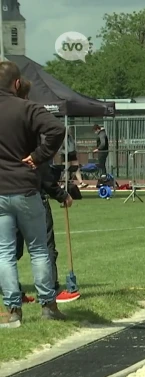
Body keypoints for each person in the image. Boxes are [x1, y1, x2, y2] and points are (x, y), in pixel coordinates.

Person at [0, 61, 67, 327]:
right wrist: (38, 156)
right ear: (17, 84)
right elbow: (57, 130)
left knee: (4, 253)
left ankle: (13, 310)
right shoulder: (27, 108)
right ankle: (48, 305)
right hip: (26, 187)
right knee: (39, 249)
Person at [12, 79, 78, 305]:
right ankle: (50, 293)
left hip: (5, 192)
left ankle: (13, 295)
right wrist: (61, 194)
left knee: (8, 250)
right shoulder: (30, 120)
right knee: (43, 247)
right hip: (30, 193)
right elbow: (42, 170)